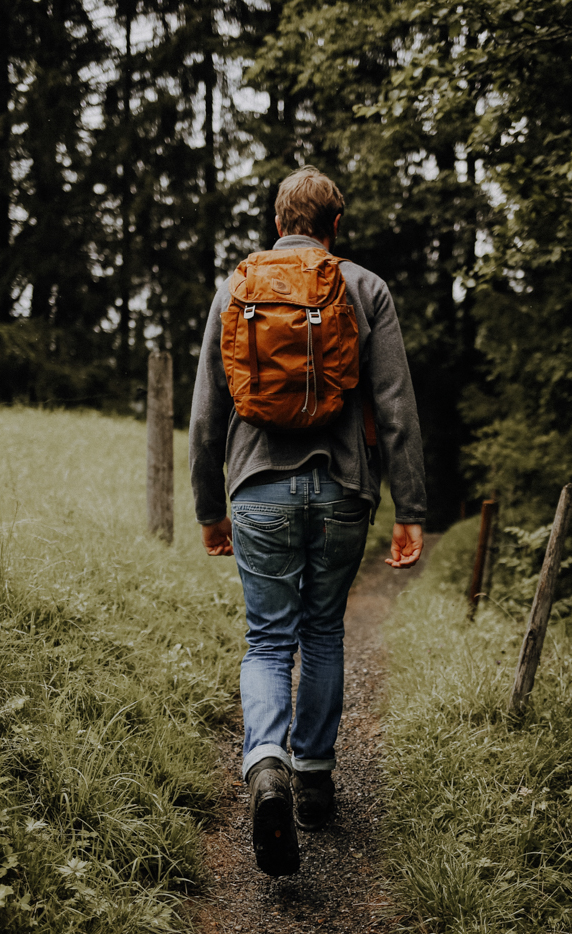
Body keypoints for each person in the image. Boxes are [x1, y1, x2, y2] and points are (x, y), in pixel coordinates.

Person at [188, 166, 427, 876]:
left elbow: (206, 412)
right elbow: (397, 406)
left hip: (258, 486)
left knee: (267, 639)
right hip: (344, 486)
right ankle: (316, 776)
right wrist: (409, 510)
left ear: (276, 220)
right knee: (323, 627)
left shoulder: (236, 288)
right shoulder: (365, 288)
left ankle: (267, 765)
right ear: (335, 226)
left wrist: (209, 508)